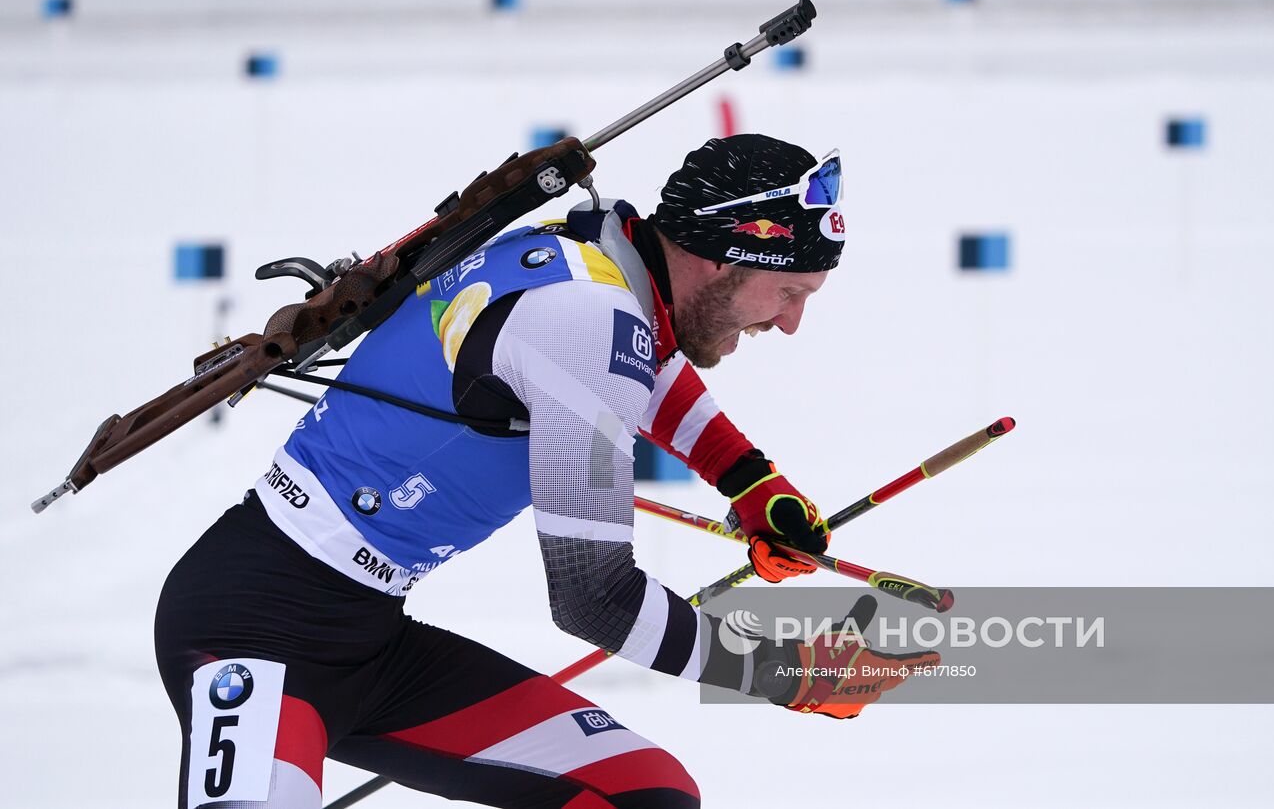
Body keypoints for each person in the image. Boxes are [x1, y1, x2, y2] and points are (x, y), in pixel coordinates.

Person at [154, 134, 938, 809]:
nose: (791, 322)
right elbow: (595, 599)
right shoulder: (590, 323)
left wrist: (746, 478)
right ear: (717, 258)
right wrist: (783, 671)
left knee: (640, 793)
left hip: (371, 644)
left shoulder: (591, 267)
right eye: (789, 291)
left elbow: (640, 365)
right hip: (248, 632)